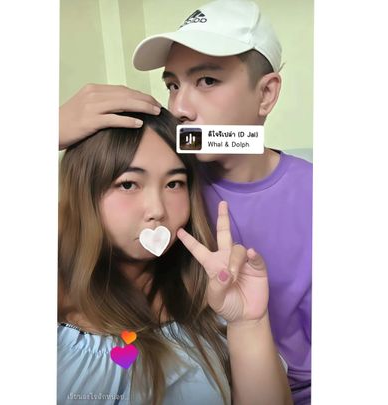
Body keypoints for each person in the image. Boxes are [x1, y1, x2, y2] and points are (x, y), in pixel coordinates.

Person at [59, 1, 312, 403]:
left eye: (207, 80)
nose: (179, 109)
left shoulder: (312, 191)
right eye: (173, 85)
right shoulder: (165, 160)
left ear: (266, 93)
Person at [58, 108, 292, 404]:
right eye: (128, 184)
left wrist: (249, 323)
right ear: (83, 191)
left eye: (174, 184)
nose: (157, 209)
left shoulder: (212, 301)